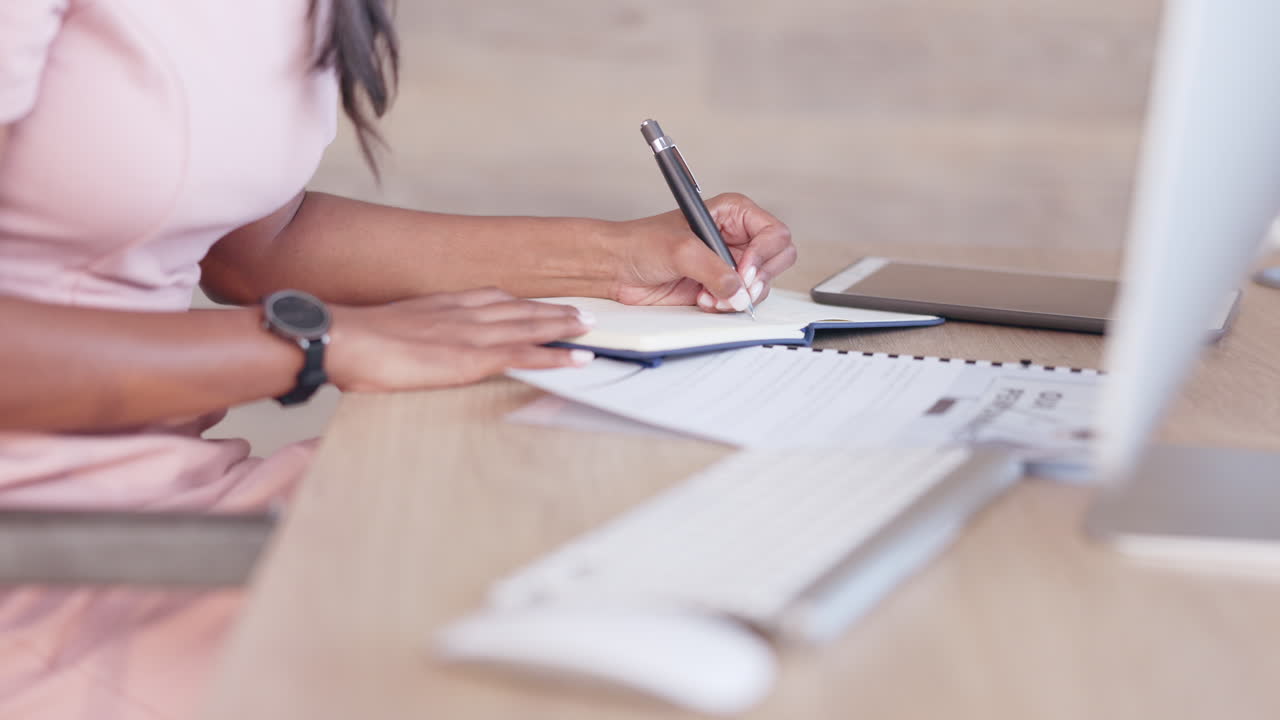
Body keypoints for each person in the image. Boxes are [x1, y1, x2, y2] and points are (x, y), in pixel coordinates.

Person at [0, 0, 796, 717]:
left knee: (642, 543)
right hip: (43, 558)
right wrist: (316, 343)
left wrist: (615, 256)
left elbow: (250, 244)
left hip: (161, 501)